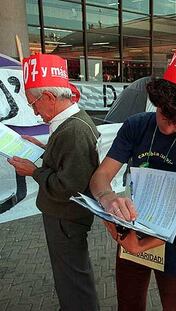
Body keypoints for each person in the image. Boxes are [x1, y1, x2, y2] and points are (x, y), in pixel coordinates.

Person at [89, 37, 176, 310]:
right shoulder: (136, 125)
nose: (167, 122)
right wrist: (108, 200)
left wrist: (147, 244)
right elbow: (100, 177)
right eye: (163, 110)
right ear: (157, 99)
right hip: (131, 234)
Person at [8, 54, 100, 310]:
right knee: (69, 275)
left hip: (66, 217)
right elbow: (67, 160)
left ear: (48, 97)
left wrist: (33, 171)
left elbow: (67, 186)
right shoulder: (70, 123)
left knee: (72, 277)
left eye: (33, 103)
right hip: (64, 216)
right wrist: (43, 147)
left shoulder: (73, 130)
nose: (34, 111)